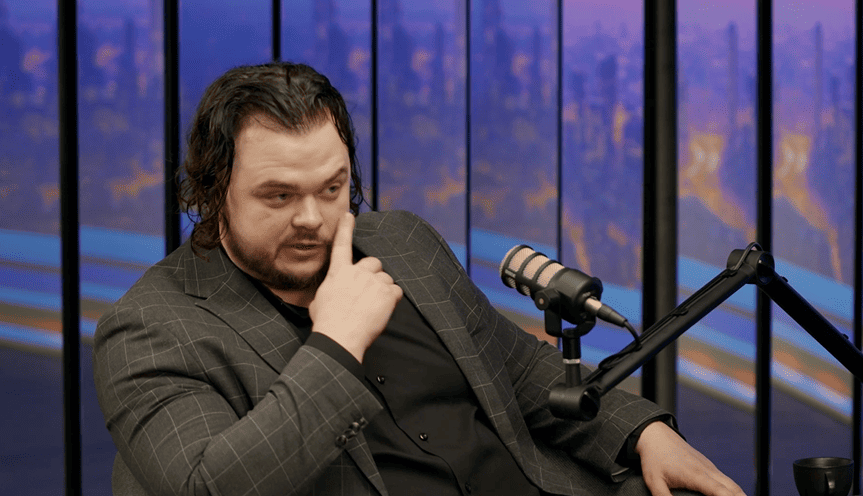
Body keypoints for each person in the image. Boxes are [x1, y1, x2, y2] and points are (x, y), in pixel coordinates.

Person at [93, 61, 745, 496]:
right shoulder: (150, 329)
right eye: (278, 195)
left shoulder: (402, 241)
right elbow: (209, 486)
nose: (313, 218)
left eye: (332, 188)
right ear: (212, 192)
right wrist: (335, 345)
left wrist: (642, 432)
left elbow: (518, 370)